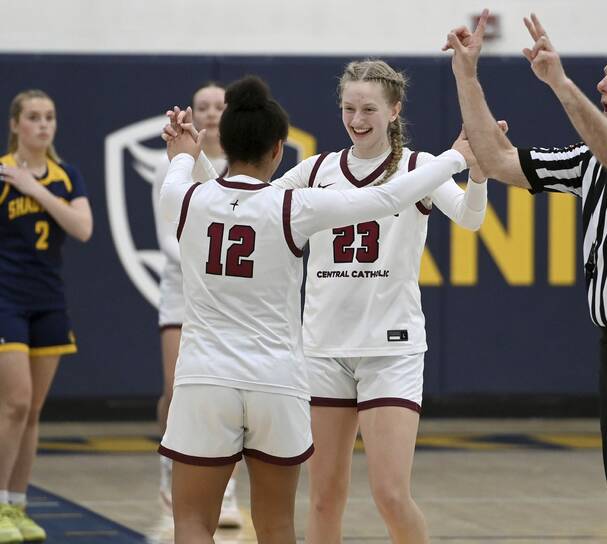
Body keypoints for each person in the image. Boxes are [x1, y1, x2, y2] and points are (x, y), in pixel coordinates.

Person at [168, 59, 496, 543]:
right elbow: (245, 200)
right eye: (348, 108)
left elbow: (469, 220)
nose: (357, 118)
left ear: (393, 110)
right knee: (323, 496)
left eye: (368, 109)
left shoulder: (418, 167)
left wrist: (479, 176)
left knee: (390, 494)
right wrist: (198, 160)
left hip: (391, 348)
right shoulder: (316, 170)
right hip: (322, 348)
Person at [444, 10, 607, 544]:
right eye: (602, 75)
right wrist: (467, 76)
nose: (604, 84)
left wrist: (560, 84)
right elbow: (498, 157)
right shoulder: (590, 163)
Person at [0, 89, 93, 543]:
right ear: (15, 124)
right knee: (14, 403)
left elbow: (83, 228)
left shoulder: (65, 176)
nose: (42, 125)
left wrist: (35, 190)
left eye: (49, 117)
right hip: (5, 301)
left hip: (48, 301)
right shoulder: (1, 172)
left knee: (33, 410)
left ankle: (18, 506)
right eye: (33, 117)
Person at [152, 82, 243, 528]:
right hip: (182, 290)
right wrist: (207, 262)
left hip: (225, 294)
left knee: (229, 392)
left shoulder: (242, 165)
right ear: (192, 112)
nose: (210, 114)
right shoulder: (171, 163)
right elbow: (169, 234)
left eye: (218, 107)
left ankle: (226, 489)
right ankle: (171, 468)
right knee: (177, 389)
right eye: (202, 107)